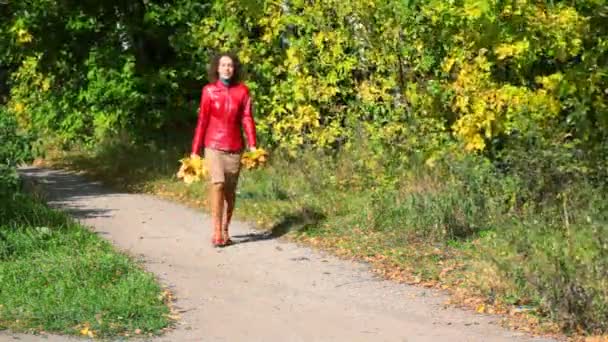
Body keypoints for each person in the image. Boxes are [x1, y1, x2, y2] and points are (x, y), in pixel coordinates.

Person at [191, 52, 257, 247]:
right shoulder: (209, 91)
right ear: (217, 68)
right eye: (223, 65)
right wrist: (195, 150)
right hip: (213, 146)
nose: (227, 68)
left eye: (230, 65)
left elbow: (247, 118)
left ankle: (226, 229)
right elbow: (202, 120)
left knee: (229, 191)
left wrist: (252, 145)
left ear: (234, 69)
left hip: (235, 148)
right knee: (218, 183)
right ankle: (216, 231)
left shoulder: (243, 91)